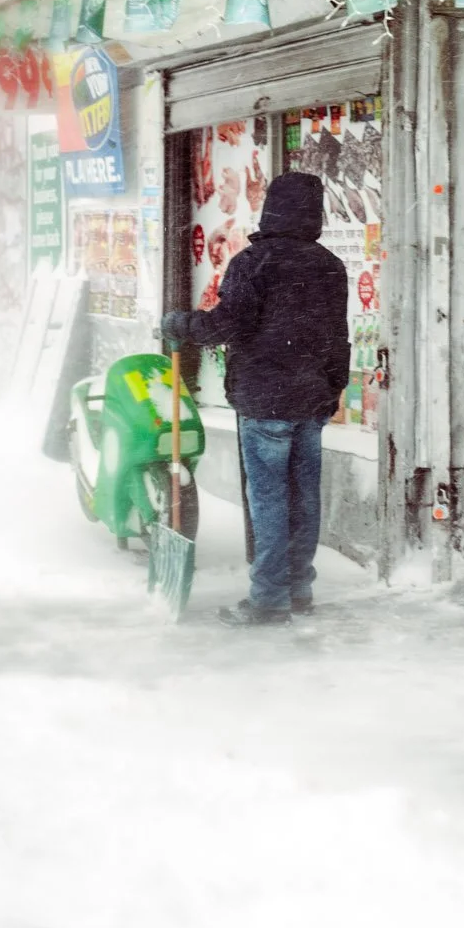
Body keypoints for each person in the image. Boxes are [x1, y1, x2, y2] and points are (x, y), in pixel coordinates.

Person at [162, 171, 348, 627]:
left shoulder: (254, 262)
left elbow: (227, 324)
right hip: (310, 400)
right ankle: (298, 588)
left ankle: (268, 598)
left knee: (269, 500)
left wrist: (180, 324)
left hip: (265, 400)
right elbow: (338, 337)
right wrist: (332, 389)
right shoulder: (330, 265)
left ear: (271, 209)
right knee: (303, 499)